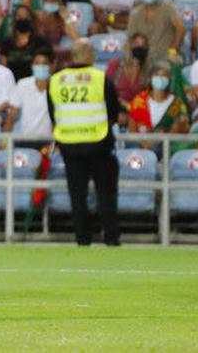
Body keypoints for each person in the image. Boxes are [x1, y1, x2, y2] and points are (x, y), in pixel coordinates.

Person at [48, 38, 121, 246]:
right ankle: (111, 238)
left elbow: (53, 113)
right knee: (105, 194)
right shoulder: (100, 78)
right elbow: (113, 111)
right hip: (99, 143)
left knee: (77, 196)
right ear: (90, 55)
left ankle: (82, 239)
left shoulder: (56, 79)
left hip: (69, 145)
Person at [126, 0, 187, 74]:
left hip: (166, 58)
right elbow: (130, 40)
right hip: (143, 60)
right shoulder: (135, 13)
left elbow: (181, 28)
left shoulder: (168, 7)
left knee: (162, 70)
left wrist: (173, 51)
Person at [3, 48, 53, 145]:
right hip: (26, 139)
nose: (41, 66)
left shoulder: (57, 85)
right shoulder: (23, 84)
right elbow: (11, 116)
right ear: (32, 66)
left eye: (44, 63)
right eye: (37, 63)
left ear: (50, 66)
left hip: (49, 141)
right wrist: (5, 141)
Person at [106, 32, 149, 106]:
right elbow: (106, 89)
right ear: (129, 46)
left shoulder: (147, 70)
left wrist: (136, 71)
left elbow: (141, 95)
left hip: (136, 108)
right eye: (136, 43)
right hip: (115, 106)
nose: (140, 47)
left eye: (143, 45)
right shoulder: (115, 65)